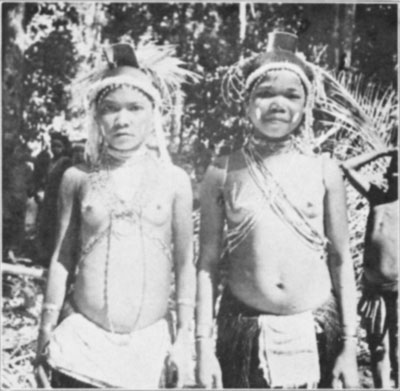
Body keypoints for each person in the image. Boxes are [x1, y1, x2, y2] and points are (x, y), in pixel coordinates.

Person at [196, 31, 359, 389]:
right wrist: (204, 347)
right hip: (243, 330)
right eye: (265, 94)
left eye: (291, 95)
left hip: (318, 329)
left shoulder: (323, 170)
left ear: (306, 106)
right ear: (246, 103)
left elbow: (341, 259)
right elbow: (206, 265)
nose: (277, 104)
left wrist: (348, 345)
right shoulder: (222, 172)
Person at [35, 42, 197, 388]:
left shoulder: (174, 181)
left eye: (135, 108)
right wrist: (45, 332)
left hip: (149, 348)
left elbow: (185, 265)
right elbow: (62, 259)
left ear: (153, 113)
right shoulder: (77, 178)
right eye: (111, 109)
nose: (123, 119)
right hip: (83, 348)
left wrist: (184, 339)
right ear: (96, 115)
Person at [341, 148, 398, 388]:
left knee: (398, 343)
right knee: (378, 346)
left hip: (397, 286)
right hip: (374, 285)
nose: (395, 176)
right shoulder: (377, 197)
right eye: (393, 172)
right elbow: (347, 167)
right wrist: (385, 152)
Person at [35, 132, 72, 267]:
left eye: (58, 146)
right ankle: (42, 256)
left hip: (58, 199)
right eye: (53, 145)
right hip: (47, 199)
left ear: (63, 147)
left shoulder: (66, 162)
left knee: (54, 227)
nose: (55, 148)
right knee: (44, 226)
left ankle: (52, 257)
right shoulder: (51, 161)